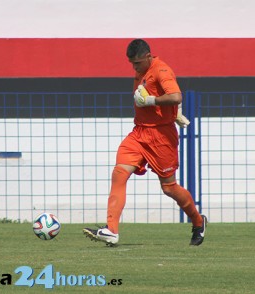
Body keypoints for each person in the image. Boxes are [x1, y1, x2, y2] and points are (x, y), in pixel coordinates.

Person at [83, 39, 207, 246]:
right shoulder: (141, 71)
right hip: (139, 133)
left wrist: (154, 102)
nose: (135, 68)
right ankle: (111, 230)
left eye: (138, 63)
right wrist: (172, 111)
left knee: (169, 188)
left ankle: (197, 220)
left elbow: (176, 95)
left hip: (161, 137)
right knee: (119, 172)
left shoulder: (162, 70)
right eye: (132, 64)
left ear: (149, 56)